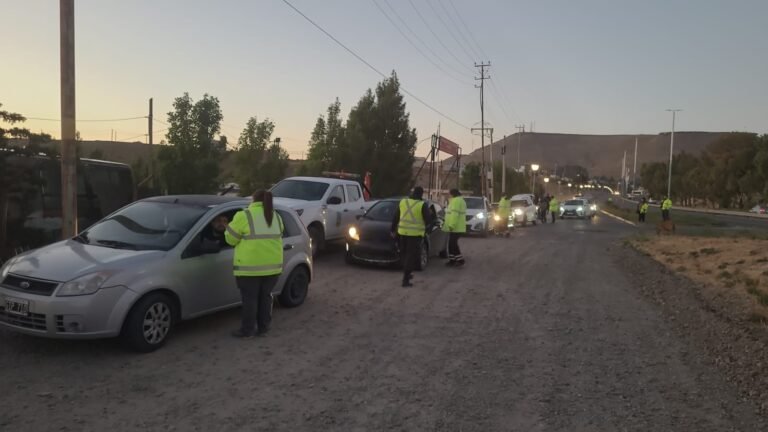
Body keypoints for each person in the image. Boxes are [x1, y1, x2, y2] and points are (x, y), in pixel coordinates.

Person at [225, 190, 284, 339]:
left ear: (253, 200)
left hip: (249, 269)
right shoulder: (276, 216)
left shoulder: (244, 215)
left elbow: (230, 239)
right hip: (273, 268)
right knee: (266, 298)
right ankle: (263, 328)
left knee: (250, 300)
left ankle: (247, 331)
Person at [391, 186, 433, 287]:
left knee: (404, 254)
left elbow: (396, 217)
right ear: (421, 194)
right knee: (411, 257)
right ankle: (405, 280)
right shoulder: (422, 205)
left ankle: (408, 273)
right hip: (415, 235)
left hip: (402, 233)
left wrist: (392, 230)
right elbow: (429, 220)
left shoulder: (403, 202)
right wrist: (427, 230)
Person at [444, 189, 467, 266]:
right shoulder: (460, 200)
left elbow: (454, 214)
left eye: (449, 194)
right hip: (458, 227)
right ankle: (453, 260)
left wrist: (451, 225)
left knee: (452, 244)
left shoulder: (456, 201)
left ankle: (459, 260)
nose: (448, 195)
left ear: (452, 194)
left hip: (455, 227)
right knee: (452, 244)